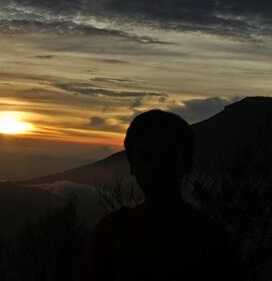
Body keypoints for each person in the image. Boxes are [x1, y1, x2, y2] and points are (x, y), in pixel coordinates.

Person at [80, 110, 243, 281]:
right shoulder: (110, 234)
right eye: (146, 156)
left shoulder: (213, 242)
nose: (156, 166)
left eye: (167, 155)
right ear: (132, 164)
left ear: (186, 163)